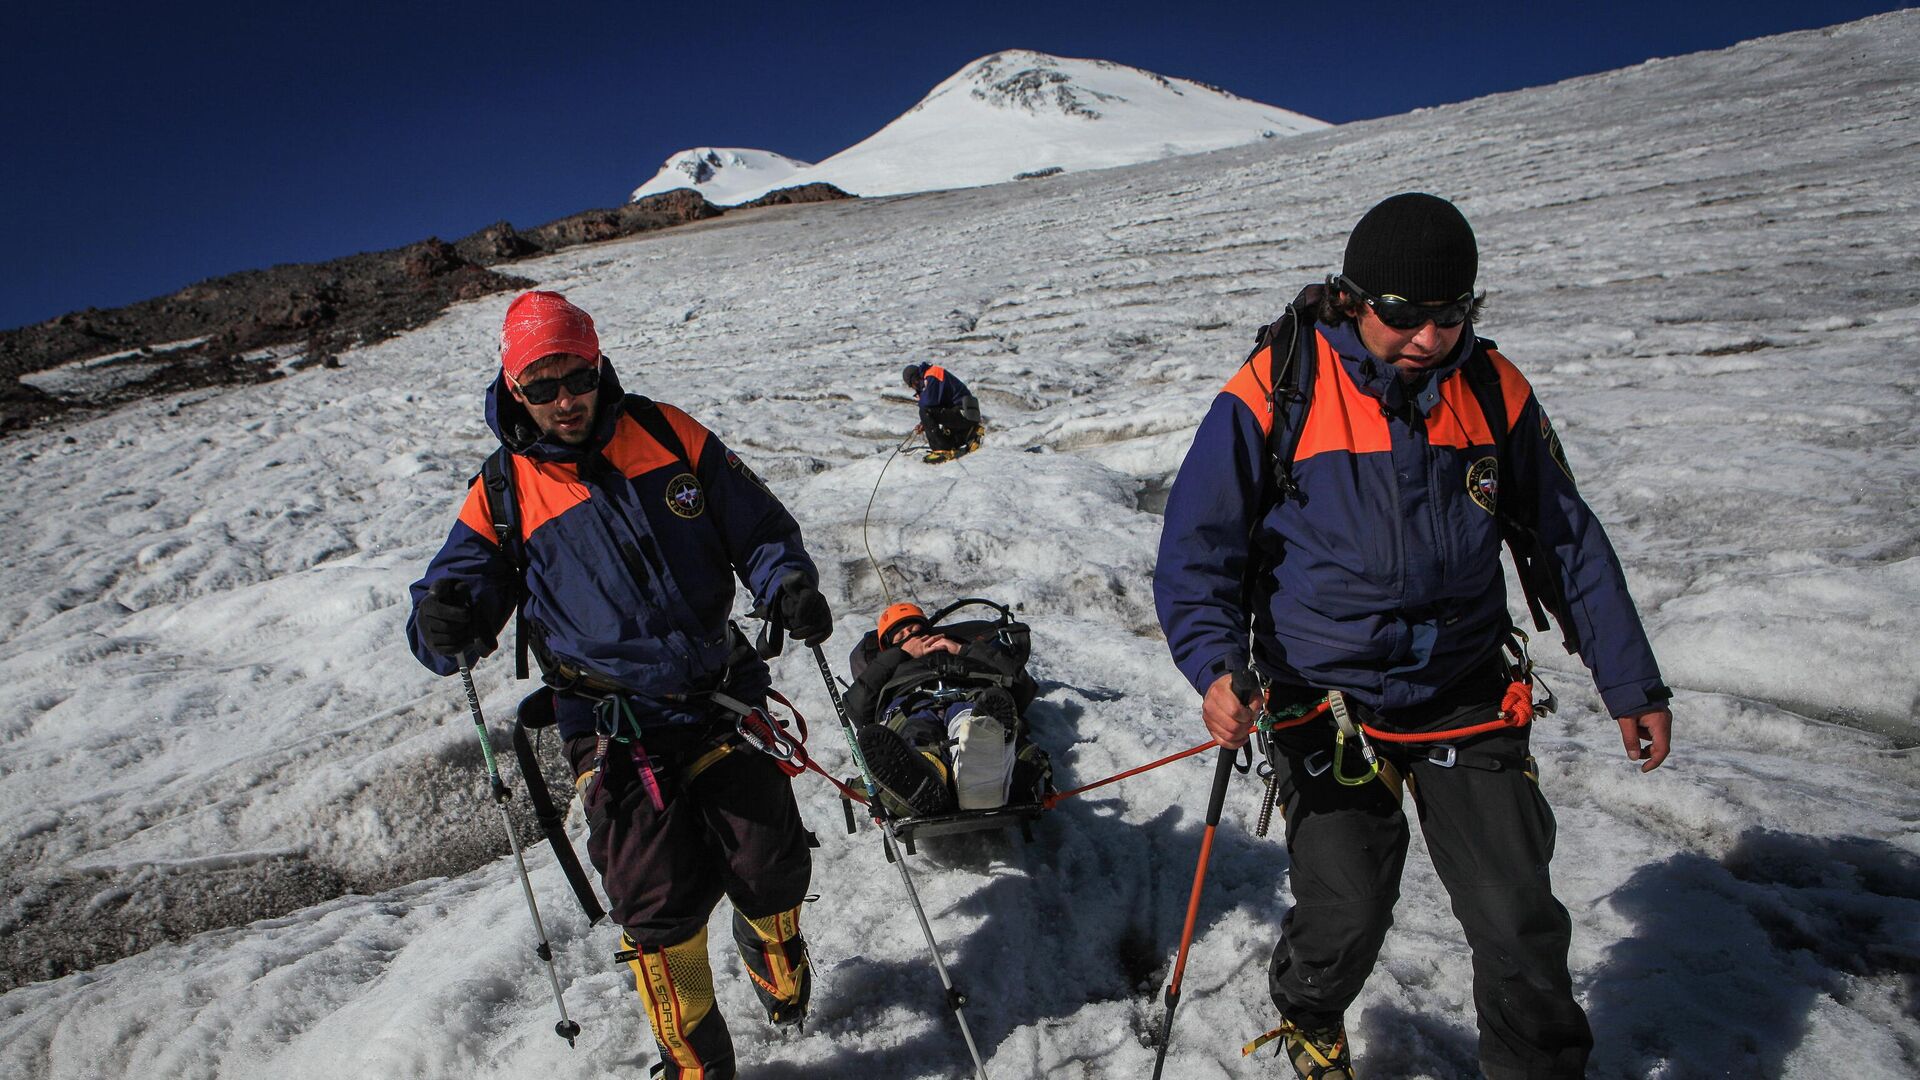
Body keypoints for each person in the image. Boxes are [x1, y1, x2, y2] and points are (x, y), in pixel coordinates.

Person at [1153, 193, 1673, 1080]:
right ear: (1354, 298)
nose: (1430, 338)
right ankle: (1309, 1010)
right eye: (1405, 316)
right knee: (1344, 910)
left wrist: (1631, 682)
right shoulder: (1277, 387)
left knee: (1518, 921)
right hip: (1322, 699)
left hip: (1466, 692)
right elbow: (1197, 553)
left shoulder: (1493, 391)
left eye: (1452, 314)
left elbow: (1565, 538)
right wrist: (1215, 668)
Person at [405, 290, 834, 1080]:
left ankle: (772, 952)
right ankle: (697, 1061)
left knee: (771, 859)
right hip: (614, 720)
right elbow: (452, 599)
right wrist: (443, 622)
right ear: (515, 391)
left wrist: (787, 584)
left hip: (717, 688)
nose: (566, 401)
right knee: (657, 903)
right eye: (542, 387)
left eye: (578, 376)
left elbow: (760, 531)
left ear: (600, 365)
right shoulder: (502, 494)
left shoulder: (669, 434)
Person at [843, 601, 1047, 816]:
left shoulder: (960, 650)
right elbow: (855, 708)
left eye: (915, 630)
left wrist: (963, 650)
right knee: (916, 730)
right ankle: (926, 777)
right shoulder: (887, 667)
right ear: (889, 647)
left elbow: (1023, 686)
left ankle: (975, 767)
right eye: (900, 635)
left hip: (969, 696)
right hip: (910, 706)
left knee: (972, 722)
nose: (910, 635)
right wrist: (898, 656)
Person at [902, 361, 983, 463]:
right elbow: (937, 403)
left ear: (914, 381)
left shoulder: (931, 376)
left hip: (962, 412)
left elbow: (927, 404)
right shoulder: (930, 375)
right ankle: (970, 434)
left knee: (925, 411)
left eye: (911, 385)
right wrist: (924, 423)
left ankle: (940, 450)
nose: (913, 389)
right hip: (965, 414)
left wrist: (925, 420)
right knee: (949, 441)